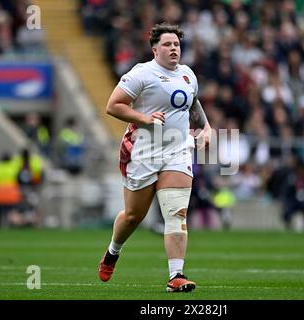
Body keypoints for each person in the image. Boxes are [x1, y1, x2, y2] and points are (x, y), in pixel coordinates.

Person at [98, 23, 212, 293]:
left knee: (176, 213)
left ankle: (176, 276)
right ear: (155, 49)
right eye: (168, 45)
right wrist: (144, 118)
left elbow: (192, 102)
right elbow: (113, 105)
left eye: (177, 45)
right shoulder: (142, 73)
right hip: (143, 150)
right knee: (134, 216)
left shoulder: (187, 74)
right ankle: (113, 252)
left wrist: (205, 127)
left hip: (177, 150)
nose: (174, 49)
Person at [0, 152, 22, 228]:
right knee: (11, 212)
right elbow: (20, 179)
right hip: (11, 194)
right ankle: (11, 226)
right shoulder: (14, 167)